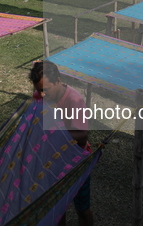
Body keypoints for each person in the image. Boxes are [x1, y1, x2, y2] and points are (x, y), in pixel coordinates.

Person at [29, 61, 94, 226]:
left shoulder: (75, 100)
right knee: (57, 209)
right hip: (52, 162)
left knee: (82, 208)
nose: (42, 94)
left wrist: (50, 134)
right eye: (38, 90)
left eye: (46, 89)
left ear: (58, 80)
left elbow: (82, 135)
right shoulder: (40, 96)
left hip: (76, 163)